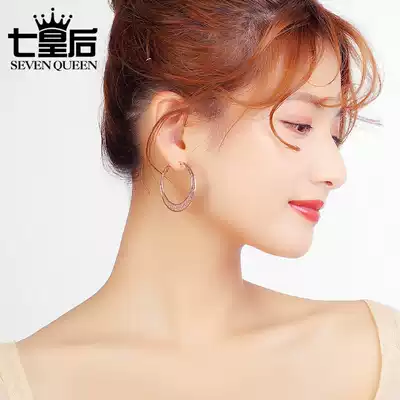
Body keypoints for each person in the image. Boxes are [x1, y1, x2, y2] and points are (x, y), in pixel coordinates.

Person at [1, 0, 399, 399]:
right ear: (177, 135)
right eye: (299, 125)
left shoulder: (377, 355)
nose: (335, 171)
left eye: (334, 134)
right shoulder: (23, 382)